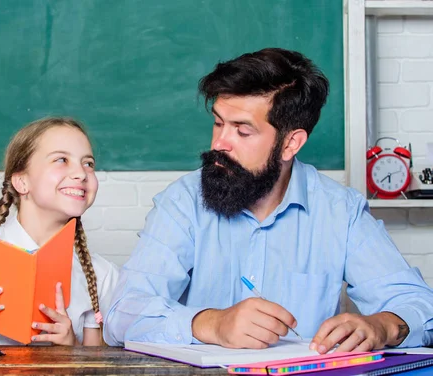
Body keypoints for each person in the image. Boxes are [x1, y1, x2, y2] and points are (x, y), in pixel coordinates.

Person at [104, 48, 433, 353]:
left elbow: (419, 305)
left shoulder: (340, 211)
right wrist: (210, 324)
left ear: (291, 144)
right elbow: (123, 313)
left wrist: (382, 327)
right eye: (218, 123)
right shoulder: (183, 202)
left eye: (242, 131)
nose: (220, 143)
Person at [0, 117, 119, 346]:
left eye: (88, 163)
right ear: (22, 182)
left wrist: (71, 348)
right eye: (61, 159)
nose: (81, 173)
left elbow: (100, 365)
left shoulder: (102, 275)